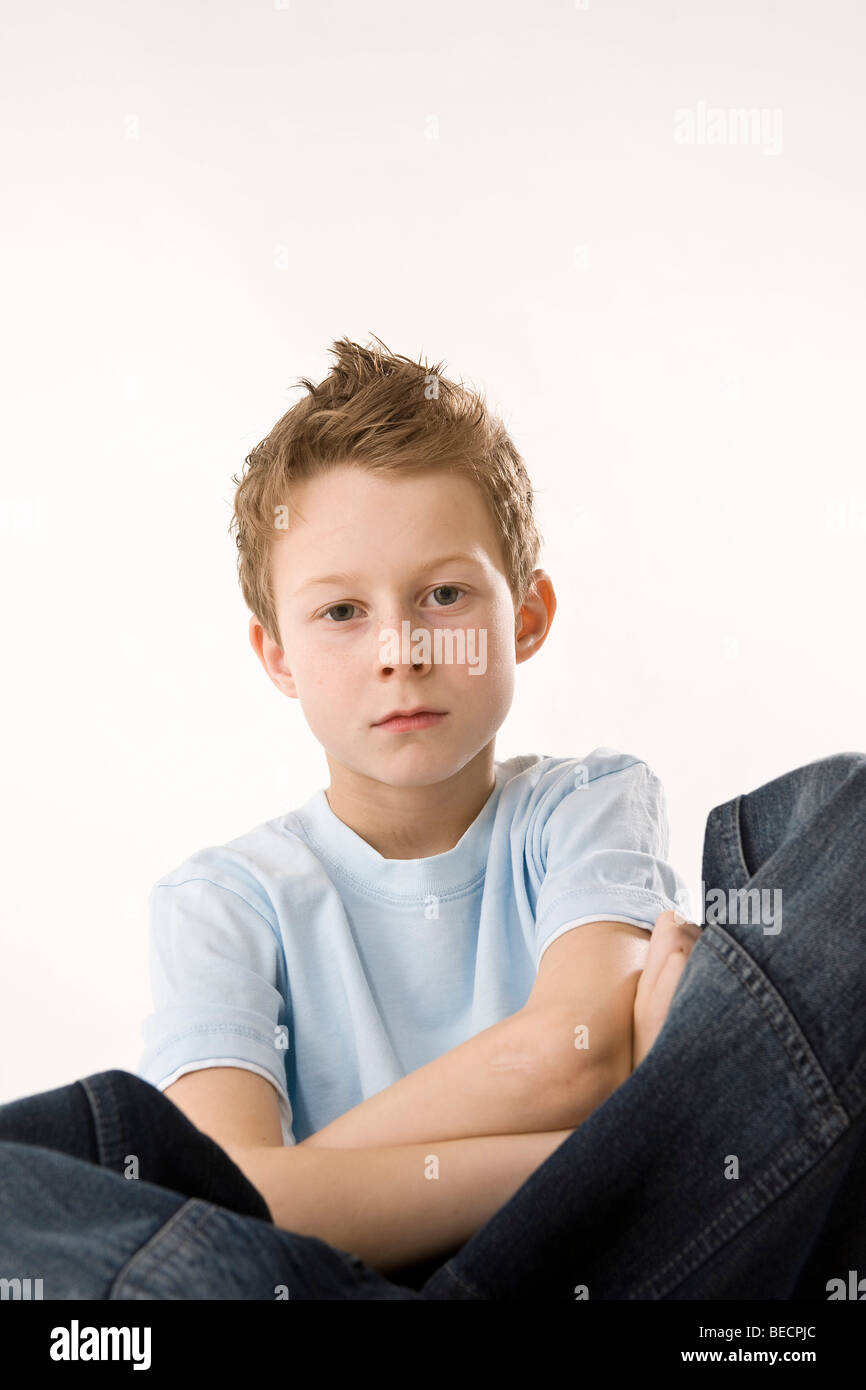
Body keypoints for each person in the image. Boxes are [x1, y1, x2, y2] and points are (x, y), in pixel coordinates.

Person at [2, 338, 864, 1297]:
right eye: (341, 613)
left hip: (606, 1270)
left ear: (525, 616)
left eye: (444, 594)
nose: (401, 649)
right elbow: (219, 1206)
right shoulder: (222, 901)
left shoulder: (585, 803)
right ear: (277, 653)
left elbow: (576, 1059)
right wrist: (626, 1138)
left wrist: (302, 1179)